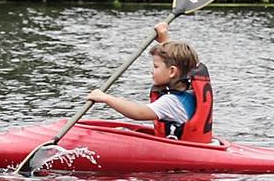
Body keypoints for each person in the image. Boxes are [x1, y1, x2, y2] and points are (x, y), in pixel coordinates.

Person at [84, 23, 215, 141]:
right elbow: (181, 61)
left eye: (156, 67)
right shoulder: (190, 90)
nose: (152, 71)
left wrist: (106, 98)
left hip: (183, 152)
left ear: (172, 72)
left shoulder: (170, 103)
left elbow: (138, 113)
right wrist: (164, 39)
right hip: (197, 144)